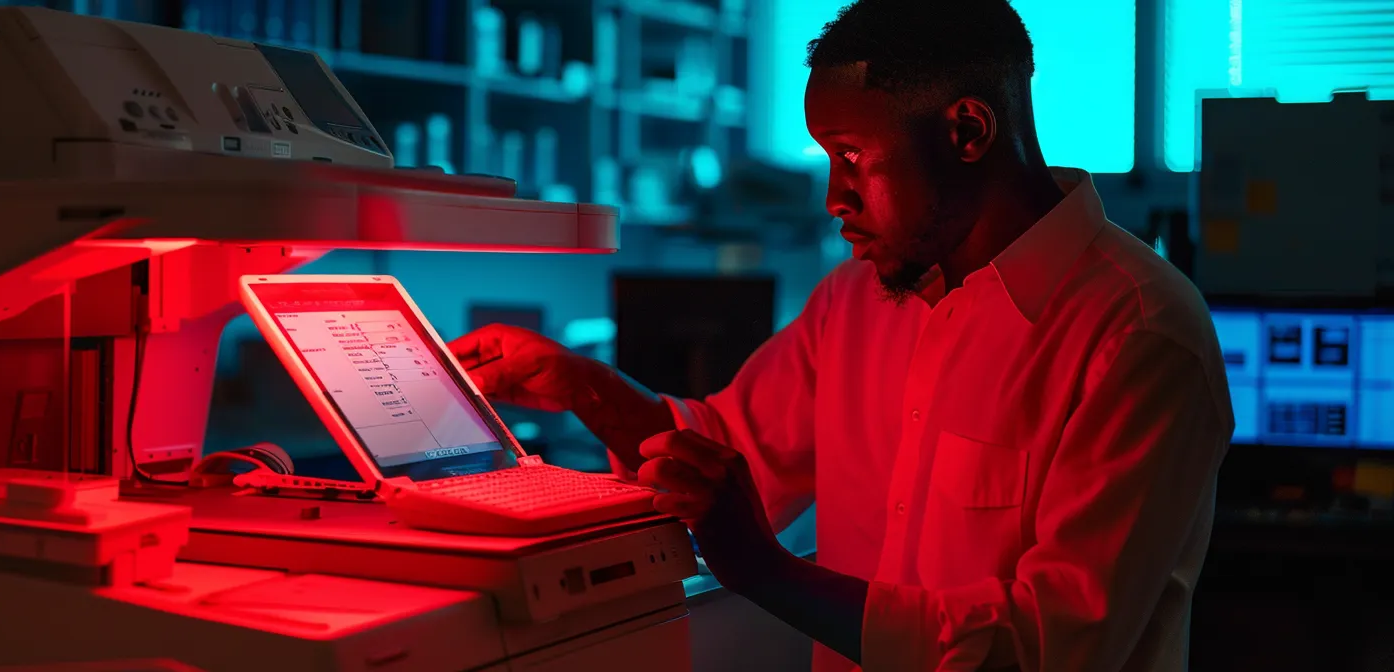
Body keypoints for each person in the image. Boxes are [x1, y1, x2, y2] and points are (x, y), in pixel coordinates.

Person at [447, 0, 1233, 669]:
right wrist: (583, 386)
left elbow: (1049, 644)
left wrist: (766, 571)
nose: (834, 196)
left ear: (967, 131)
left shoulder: (1140, 334)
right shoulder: (858, 301)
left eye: (853, 156)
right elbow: (723, 453)